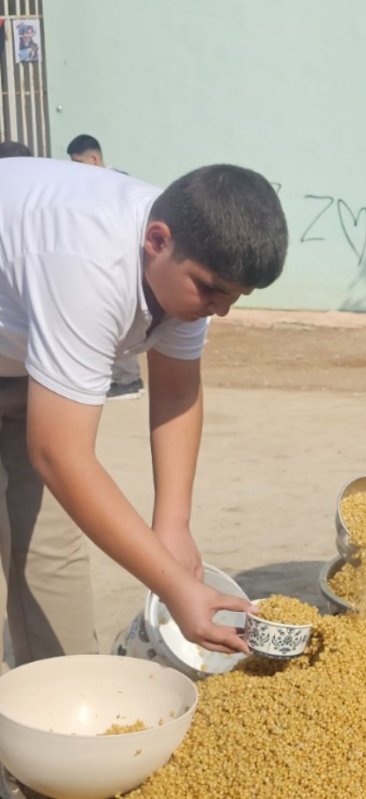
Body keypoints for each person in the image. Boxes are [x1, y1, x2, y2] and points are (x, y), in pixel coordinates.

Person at [0, 157, 288, 668]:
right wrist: (174, 585)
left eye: (236, 298)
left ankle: (63, 712)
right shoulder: (88, 263)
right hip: (32, 332)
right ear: (156, 240)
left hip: (19, 360)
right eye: (213, 291)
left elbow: (176, 394)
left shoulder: (186, 261)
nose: (221, 311)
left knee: (50, 549)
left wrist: (172, 524)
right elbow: (58, 453)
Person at [67, 134, 142, 399]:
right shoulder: (95, 185)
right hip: (98, 265)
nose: (74, 168)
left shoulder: (116, 185)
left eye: (78, 162)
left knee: (118, 327)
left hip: (118, 266)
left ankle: (127, 381)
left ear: (95, 160)